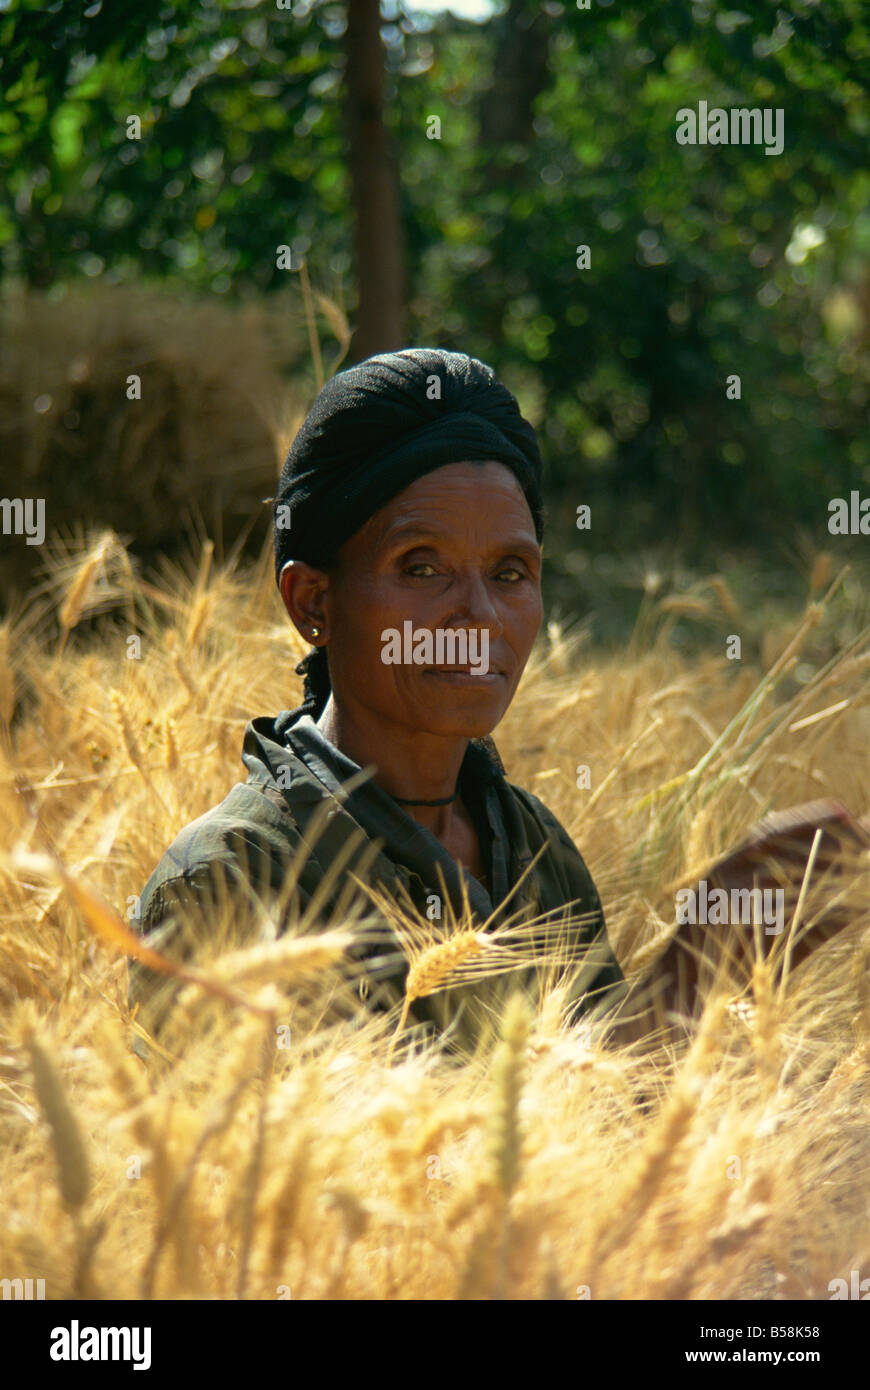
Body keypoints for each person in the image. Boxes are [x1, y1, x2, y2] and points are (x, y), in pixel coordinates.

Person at [130, 348, 628, 1045]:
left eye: (511, 572)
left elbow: (622, 1099)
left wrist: (706, 975)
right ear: (314, 602)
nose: (481, 617)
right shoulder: (229, 879)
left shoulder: (533, 846)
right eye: (422, 568)